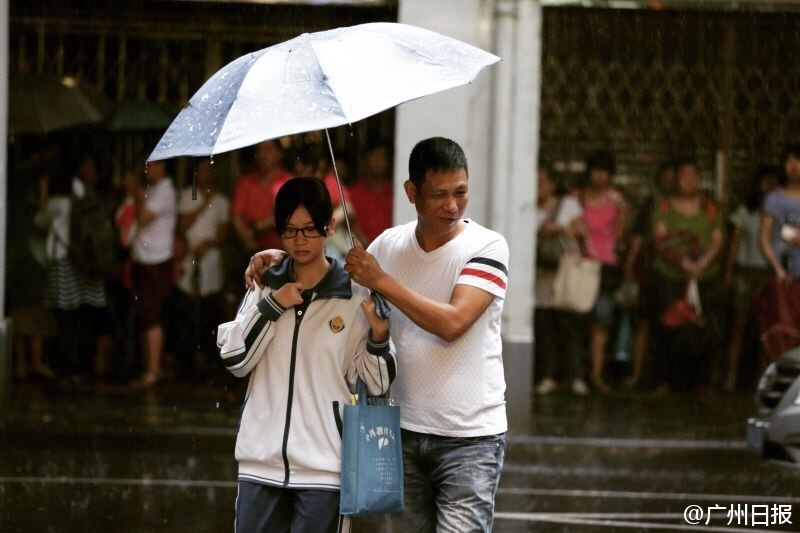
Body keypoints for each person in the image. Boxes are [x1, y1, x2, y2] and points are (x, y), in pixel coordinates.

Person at [247, 137, 508, 532]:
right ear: (412, 192)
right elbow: (335, 287)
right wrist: (284, 259)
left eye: (460, 192)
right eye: (439, 194)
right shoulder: (388, 245)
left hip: (470, 439)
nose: (452, 206)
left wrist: (382, 279)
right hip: (397, 431)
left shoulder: (487, 246)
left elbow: (453, 323)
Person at [217, 177, 396, 533]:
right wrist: (273, 305)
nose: (299, 240)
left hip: (324, 469)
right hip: (259, 463)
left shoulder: (355, 296)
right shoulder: (264, 284)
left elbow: (378, 384)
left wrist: (379, 337)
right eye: (290, 230)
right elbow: (236, 360)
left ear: (330, 227)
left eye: (310, 229)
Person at [650, 158, 725, 393]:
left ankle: (700, 381)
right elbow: (660, 238)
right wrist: (681, 261)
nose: (689, 181)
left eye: (694, 176)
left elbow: (718, 238)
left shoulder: (709, 207)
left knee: (702, 326)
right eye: (684, 176)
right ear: (675, 180)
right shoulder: (664, 206)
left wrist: (704, 262)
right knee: (669, 325)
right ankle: (665, 380)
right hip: (670, 275)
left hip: (705, 275)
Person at [35, 153, 112, 381]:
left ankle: (70, 366)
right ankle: (86, 365)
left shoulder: (57, 203)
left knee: (67, 317)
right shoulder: (87, 197)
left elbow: (39, 220)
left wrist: (43, 193)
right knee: (85, 315)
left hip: (65, 263)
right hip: (87, 263)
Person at [575, 151, 628, 393]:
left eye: (605, 172)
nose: (600, 177)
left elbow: (620, 234)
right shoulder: (576, 198)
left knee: (601, 319)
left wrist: (622, 212)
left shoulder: (616, 201)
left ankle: (595, 374)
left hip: (606, 266)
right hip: (580, 265)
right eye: (597, 171)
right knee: (578, 319)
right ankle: (579, 374)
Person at [723, 166, 779, 391]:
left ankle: (762, 379)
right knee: (739, 326)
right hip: (746, 272)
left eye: (774, 182)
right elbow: (734, 244)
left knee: (767, 329)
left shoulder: (782, 212)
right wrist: (729, 272)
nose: (769, 186)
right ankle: (730, 375)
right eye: (766, 181)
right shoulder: (746, 211)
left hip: (770, 273)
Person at [534, 165, 588, 396]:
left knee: (569, 326)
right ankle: (549, 375)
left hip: (565, 272)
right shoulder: (526, 207)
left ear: (554, 184)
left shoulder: (568, 204)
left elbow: (582, 232)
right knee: (545, 326)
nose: (537, 187)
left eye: (541, 181)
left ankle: (576, 376)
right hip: (542, 274)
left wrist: (558, 229)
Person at [174, 158, 230, 374]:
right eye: (203, 170)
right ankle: (186, 358)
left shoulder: (221, 201)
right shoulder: (186, 195)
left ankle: (208, 357)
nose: (207, 173)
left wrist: (208, 244)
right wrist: (203, 204)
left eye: (209, 169)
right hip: (188, 258)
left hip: (211, 259)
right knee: (186, 310)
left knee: (210, 310)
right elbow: (182, 224)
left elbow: (223, 234)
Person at [130, 158, 177, 387]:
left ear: (162, 166)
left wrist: (136, 193)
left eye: (151, 165)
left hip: (156, 260)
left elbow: (143, 217)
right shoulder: (156, 188)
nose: (146, 169)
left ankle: (153, 369)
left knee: (152, 315)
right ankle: (150, 365)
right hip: (145, 259)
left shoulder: (165, 190)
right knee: (146, 315)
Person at [231, 139, 293, 254]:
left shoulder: (288, 181)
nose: (263, 154)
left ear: (280, 153)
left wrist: (259, 227)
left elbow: (289, 214)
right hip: (252, 251)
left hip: (284, 251)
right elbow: (236, 215)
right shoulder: (246, 182)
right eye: (259, 150)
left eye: (269, 149)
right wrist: (247, 238)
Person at [350, 141, 394, 245]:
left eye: (382, 157)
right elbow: (353, 225)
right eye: (374, 157)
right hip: (364, 249)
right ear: (366, 161)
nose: (378, 162)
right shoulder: (355, 192)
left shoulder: (395, 191)